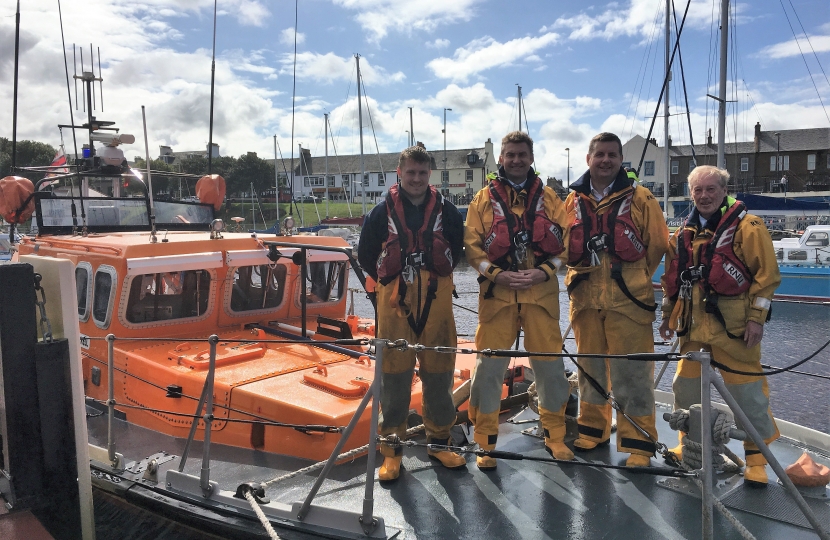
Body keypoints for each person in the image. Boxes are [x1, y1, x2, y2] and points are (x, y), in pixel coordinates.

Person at [659, 165, 780, 484]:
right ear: (690, 193)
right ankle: (690, 447)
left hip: (734, 328)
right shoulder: (682, 234)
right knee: (684, 389)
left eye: (711, 189)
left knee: (748, 395)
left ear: (724, 191)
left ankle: (757, 460)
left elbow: (766, 278)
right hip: (692, 328)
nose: (704, 195)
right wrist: (666, 316)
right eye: (697, 190)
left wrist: (756, 320)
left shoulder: (749, 227)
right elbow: (671, 278)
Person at [464, 131, 573, 469]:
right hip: (498, 298)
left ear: (531, 157)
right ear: (501, 158)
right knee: (488, 369)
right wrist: (498, 274)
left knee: (550, 368)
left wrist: (545, 271)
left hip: (540, 295)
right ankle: (485, 443)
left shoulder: (552, 199)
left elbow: (568, 243)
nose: (515, 160)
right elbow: (473, 248)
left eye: (521, 154)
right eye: (509, 154)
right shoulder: (482, 200)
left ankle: (555, 436)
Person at [358, 144, 466, 481]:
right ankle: (391, 453)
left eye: (422, 173)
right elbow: (365, 255)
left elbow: (457, 249)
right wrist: (393, 282)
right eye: (410, 173)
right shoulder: (380, 213)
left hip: (437, 301)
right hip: (395, 304)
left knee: (439, 372)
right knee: (393, 377)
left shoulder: (447, 212)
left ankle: (441, 443)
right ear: (399, 174)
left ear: (429, 174)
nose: (416, 179)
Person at [565, 132, 668, 467]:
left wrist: (633, 277)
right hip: (585, 301)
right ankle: (593, 430)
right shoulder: (571, 202)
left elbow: (656, 246)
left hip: (628, 302)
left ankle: (638, 442)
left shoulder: (642, 198)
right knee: (590, 370)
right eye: (600, 154)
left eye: (612, 155)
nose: (606, 160)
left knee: (633, 375)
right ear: (588, 159)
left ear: (620, 160)